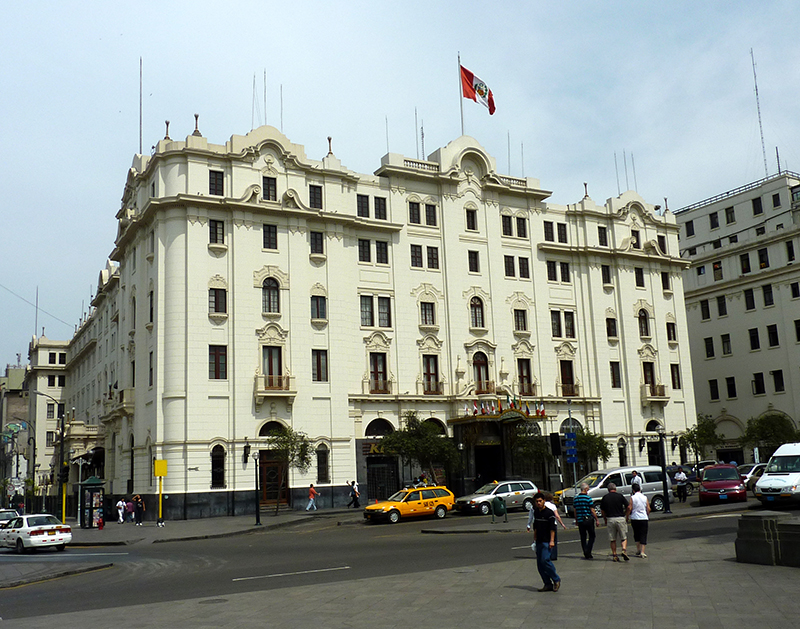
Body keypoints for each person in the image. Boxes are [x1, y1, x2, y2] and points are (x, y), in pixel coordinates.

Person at [526, 492, 561, 592]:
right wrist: (534, 539)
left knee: (545, 560)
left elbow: (552, 528)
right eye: (537, 501)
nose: (539, 503)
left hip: (547, 541)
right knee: (540, 564)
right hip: (539, 541)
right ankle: (547, 584)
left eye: (540, 501)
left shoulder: (549, 513)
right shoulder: (536, 512)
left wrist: (552, 541)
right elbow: (535, 526)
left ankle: (556, 579)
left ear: (544, 501)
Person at [599, 482, 630, 562]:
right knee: (623, 537)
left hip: (610, 519)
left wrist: (605, 519)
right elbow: (629, 507)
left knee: (612, 539)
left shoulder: (605, 497)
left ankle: (615, 555)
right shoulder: (620, 496)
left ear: (608, 489)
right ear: (615, 489)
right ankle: (624, 549)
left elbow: (602, 510)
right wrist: (626, 515)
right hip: (620, 518)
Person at [573, 483, 599, 559]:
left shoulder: (576, 499)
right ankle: (588, 551)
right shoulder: (588, 498)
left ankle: (585, 551)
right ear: (585, 489)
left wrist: (576, 519)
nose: (588, 491)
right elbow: (592, 510)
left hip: (580, 520)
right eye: (587, 489)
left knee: (583, 537)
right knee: (592, 536)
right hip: (588, 519)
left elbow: (575, 511)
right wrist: (596, 519)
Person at [542, 492, 567, 560]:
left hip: (544, 525)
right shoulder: (552, 506)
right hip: (552, 524)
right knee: (554, 541)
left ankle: (546, 554)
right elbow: (557, 516)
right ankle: (553, 556)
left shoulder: (543, 505)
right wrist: (562, 524)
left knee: (546, 540)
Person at [629, 484, 650, 558]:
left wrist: (628, 515)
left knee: (636, 534)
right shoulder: (645, 497)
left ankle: (638, 549)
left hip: (635, 518)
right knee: (643, 534)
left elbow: (630, 507)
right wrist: (647, 514)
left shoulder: (632, 497)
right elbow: (648, 508)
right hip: (643, 518)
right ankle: (642, 551)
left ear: (633, 490)